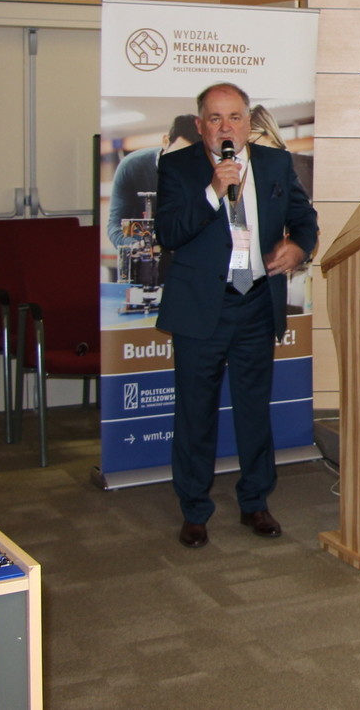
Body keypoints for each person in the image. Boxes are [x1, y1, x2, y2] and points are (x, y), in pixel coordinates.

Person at [156, 82, 318, 548]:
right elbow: (169, 232)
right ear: (200, 125)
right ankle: (194, 509)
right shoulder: (177, 167)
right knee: (195, 414)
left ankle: (255, 501)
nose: (225, 127)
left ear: (248, 122)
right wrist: (212, 191)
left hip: (256, 304)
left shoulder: (275, 163)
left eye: (234, 117)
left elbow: (304, 219)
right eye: (215, 118)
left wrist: (299, 247)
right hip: (201, 307)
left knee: (253, 409)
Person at [106, 114, 199, 249]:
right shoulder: (132, 166)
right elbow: (115, 226)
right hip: (140, 249)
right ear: (166, 141)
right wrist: (136, 246)